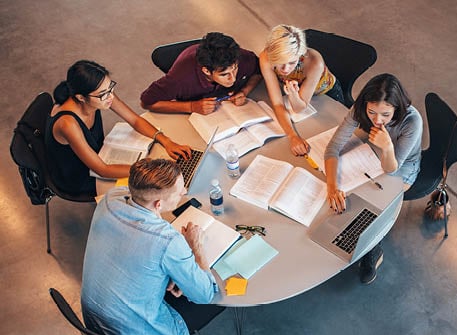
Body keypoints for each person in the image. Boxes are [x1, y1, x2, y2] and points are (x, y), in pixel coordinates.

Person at [81, 158, 224, 335]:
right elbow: (205, 294)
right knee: (219, 301)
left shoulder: (110, 198)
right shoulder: (167, 240)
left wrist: (165, 273)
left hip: (94, 320)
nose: (185, 191)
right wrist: (196, 245)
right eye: (179, 191)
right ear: (158, 204)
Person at [324, 73, 422, 284]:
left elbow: (392, 171)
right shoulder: (359, 110)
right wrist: (332, 186)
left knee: (375, 198)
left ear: (397, 108)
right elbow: (332, 148)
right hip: (371, 154)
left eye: (386, 115)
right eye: (372, 113)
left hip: (401, 166)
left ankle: (373, 246)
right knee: (348, 193)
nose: (377, 120)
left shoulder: (412, 121)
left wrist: (387, 147)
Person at [45, 60, 191, 196]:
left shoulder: (101, 93)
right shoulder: (67, 124)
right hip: (80, 175)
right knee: (148, 190)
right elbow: (101, 170)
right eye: (103, 94)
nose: (110, 97)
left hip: (99, 154)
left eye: (110, 88)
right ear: (81, 98)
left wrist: (165, 141)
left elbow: (134, 120)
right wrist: (151, 169)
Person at [259, 24, 344, 156]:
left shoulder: (315, 62)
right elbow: (277, 103)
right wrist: (292, 136)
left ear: (300, 55)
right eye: (280, 62)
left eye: (292, 62)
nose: (285, 69)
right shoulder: (266, 58)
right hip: (297, 91)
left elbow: (299, 108)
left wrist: (293, 95)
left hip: (326, 94)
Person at [140, 32, 262, 115]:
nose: (233, 78)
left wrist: (244, 91)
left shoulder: (239, 57)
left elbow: (258, 70)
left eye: (235, 69)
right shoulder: (180, 79)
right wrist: (191, 107)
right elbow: (147, 102)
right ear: (206, 71)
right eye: (224, 74)